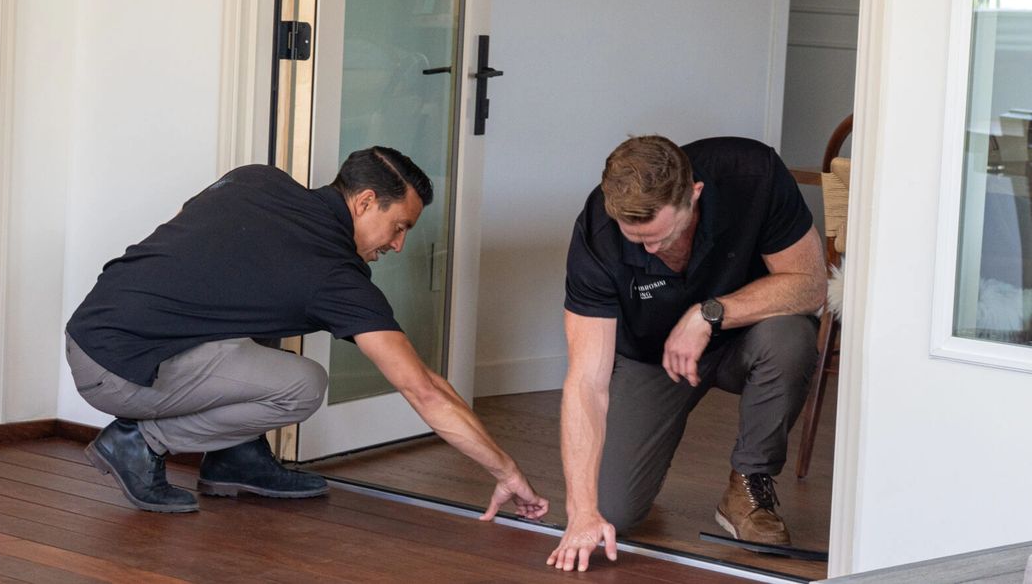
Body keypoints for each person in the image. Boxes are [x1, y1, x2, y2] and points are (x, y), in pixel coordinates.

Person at [65, 146, 549, 523]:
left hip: (91, 332)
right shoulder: (334, 277)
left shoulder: (257, 178)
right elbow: (421, 388)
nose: (398, 245)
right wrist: (507, 471)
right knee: (303, 385)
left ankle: (235, 458)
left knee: (256, 305)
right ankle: (140, 442)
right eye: (398, 227)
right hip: (118, 371)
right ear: (364, 202)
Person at [547, 135, 826, 571]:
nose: (651, 251)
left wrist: (710, 313)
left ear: (694, 194)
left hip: (745, 339)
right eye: (637, 241)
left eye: (661, 236)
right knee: (613, 512)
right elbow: (585, 381)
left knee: (791, 336)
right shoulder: (597, 236)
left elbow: (810, 285)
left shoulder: (752, 173)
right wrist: (583, 510)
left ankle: (748, 485)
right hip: (650, 359)